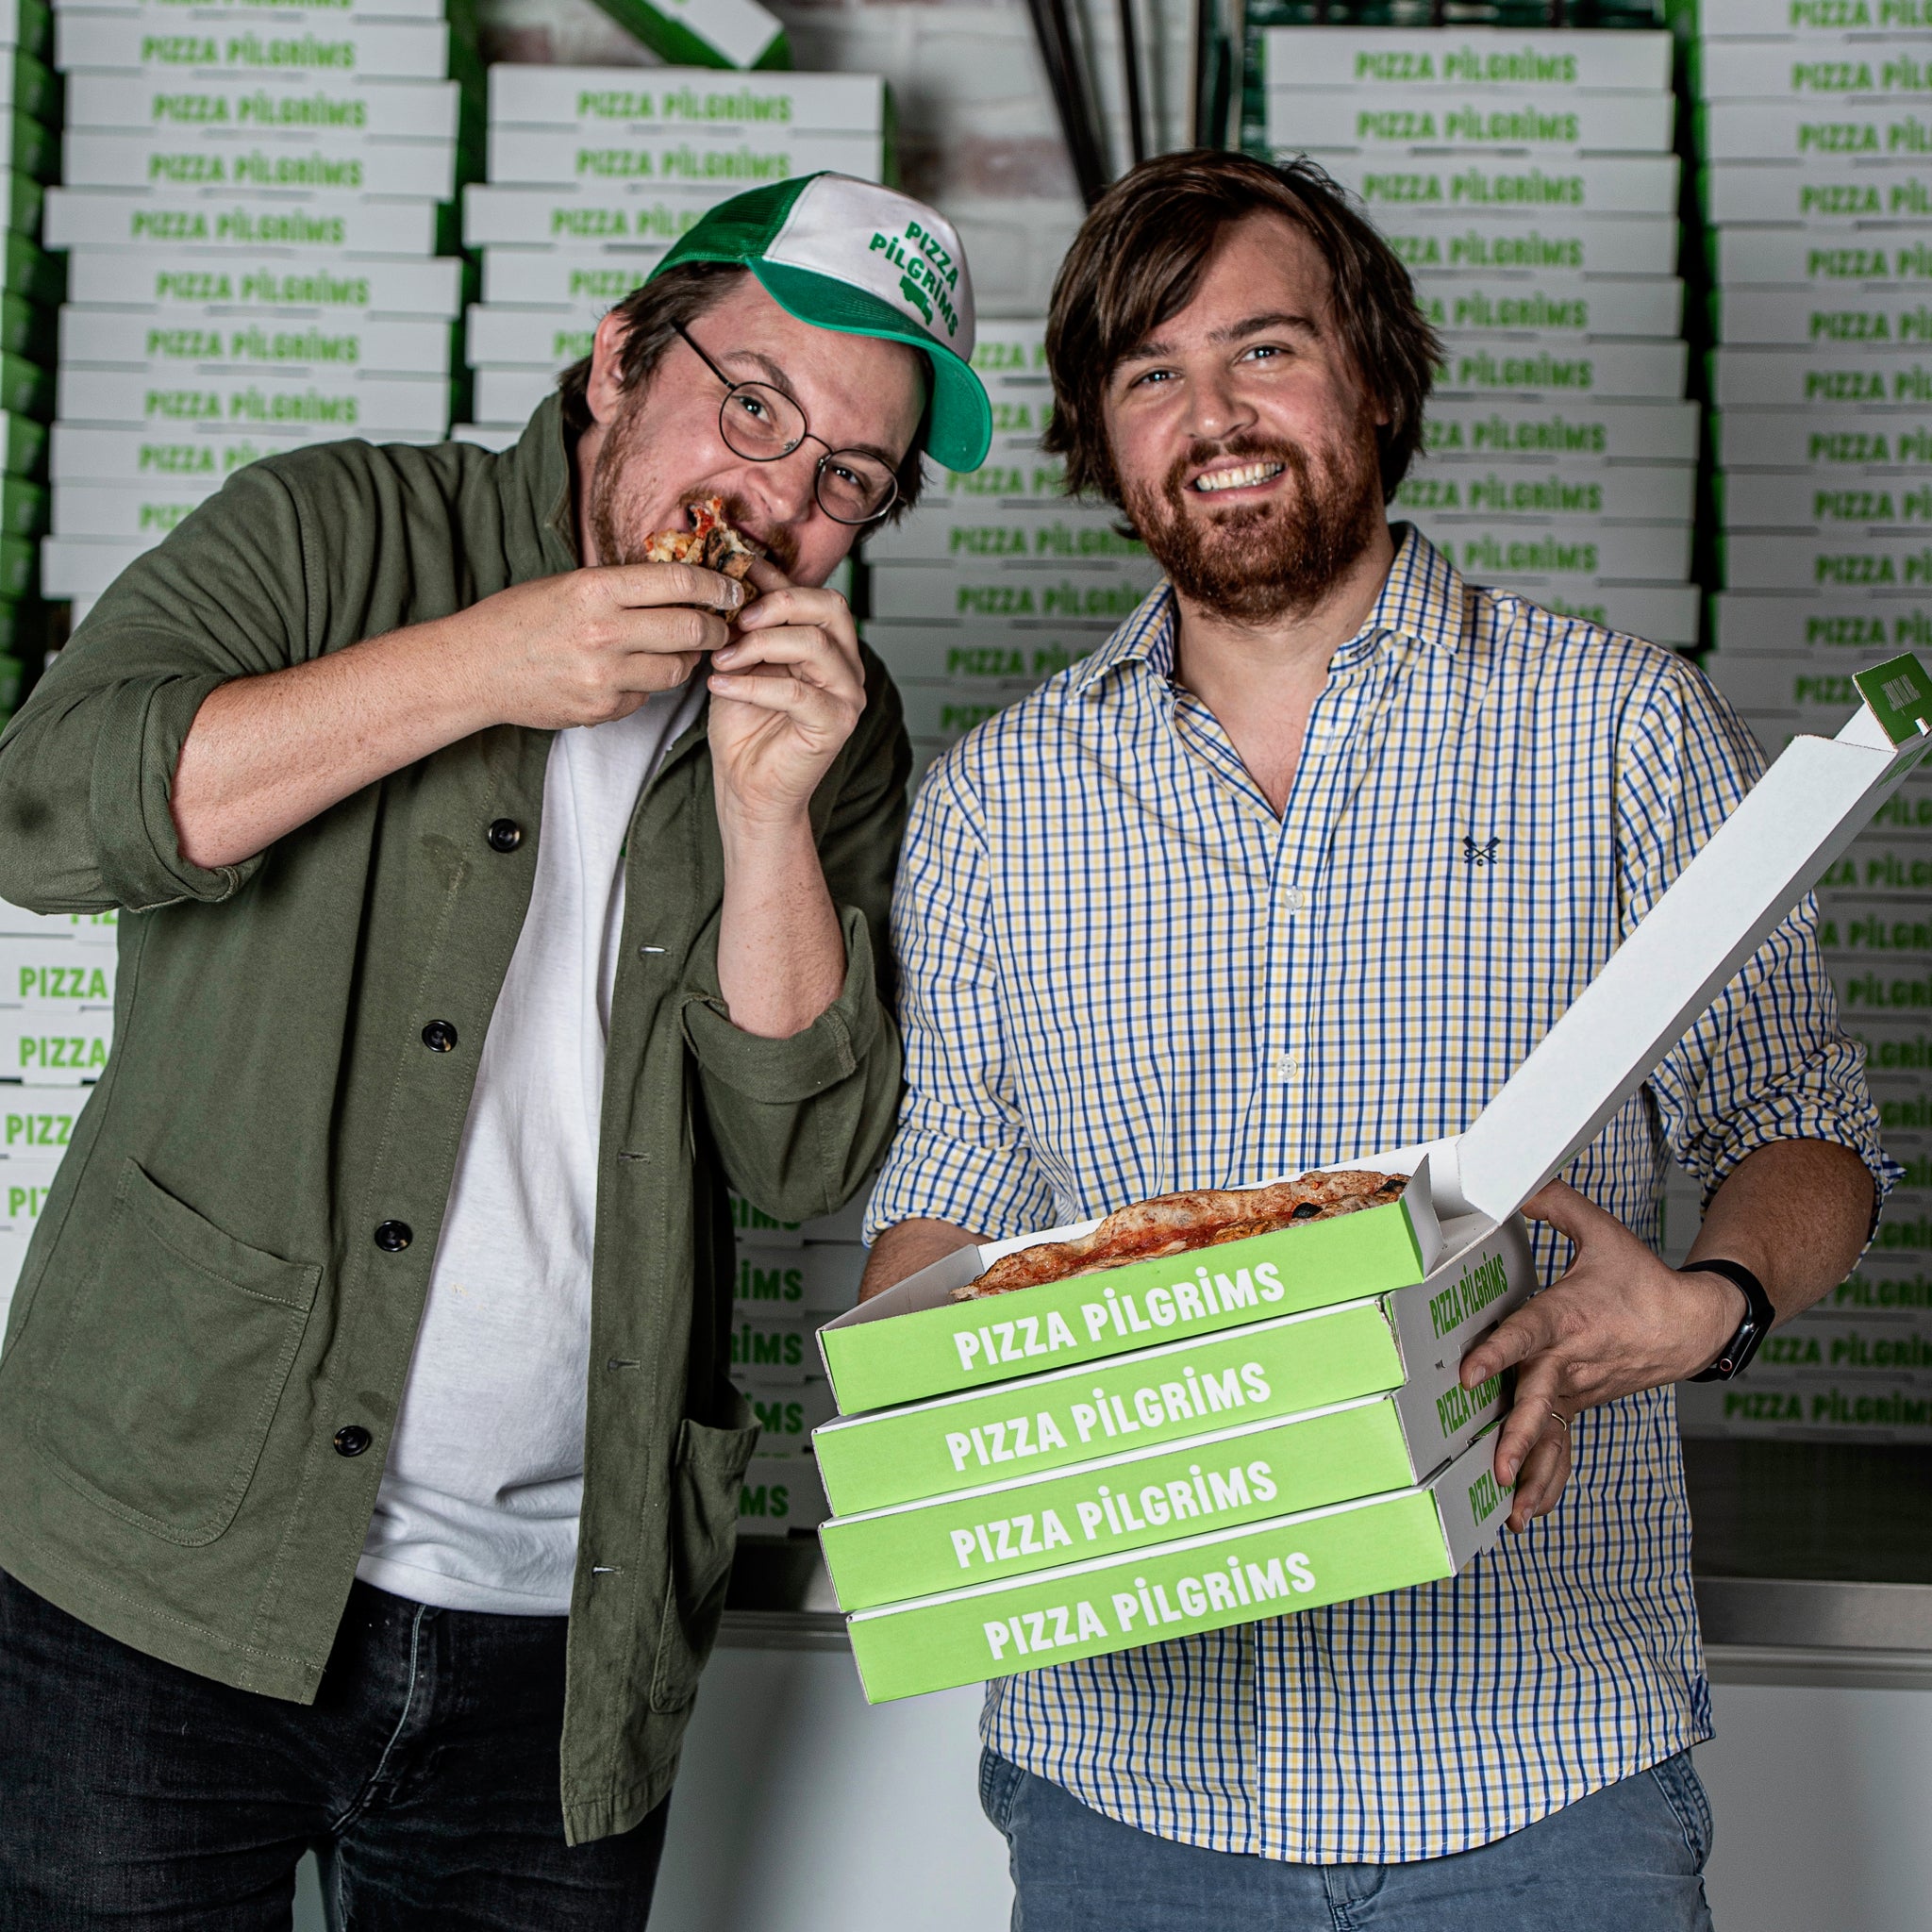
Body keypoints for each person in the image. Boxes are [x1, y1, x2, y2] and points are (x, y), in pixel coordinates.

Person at [862, 150, 1890, 1929]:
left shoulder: (1617, 730)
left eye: (1266, 349)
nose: (1214, 416)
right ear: (1103, 442)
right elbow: (944, 1211)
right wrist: (950, 1435)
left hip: (1547, 1779)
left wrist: (1710, 1310)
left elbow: (1805, 1123)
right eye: (1152, 375)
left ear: (1377, 376)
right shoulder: (989, 810)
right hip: (1130, 1794)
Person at [0, 172, 991, 1928]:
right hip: (153, 1573)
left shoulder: (841, 722)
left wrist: (771, 817)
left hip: (562, 1633)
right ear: (617, 360)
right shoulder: (335, 529)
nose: (773, 499)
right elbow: (45, 818)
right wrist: (479, 665)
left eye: (850, 477)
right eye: (749, 405)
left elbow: (807, 1161)